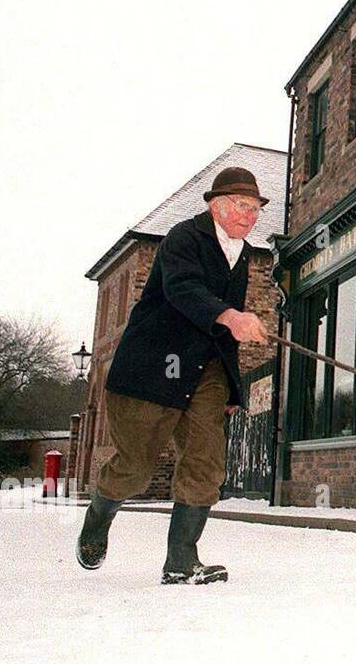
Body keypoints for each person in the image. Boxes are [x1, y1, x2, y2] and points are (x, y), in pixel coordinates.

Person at [76, 167, 270, 584]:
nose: (251, 216)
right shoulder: (184, 237)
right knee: (136, 468)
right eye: (243, 206)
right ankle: (98, 516)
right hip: (158, 364)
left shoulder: (244, 254)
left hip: (207, 369)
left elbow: (225, 334)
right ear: (215, 206)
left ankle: (181, 561)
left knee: (206, 463)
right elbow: (183, 290)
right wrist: (232, 316)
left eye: (255, 209)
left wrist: (232, 387)